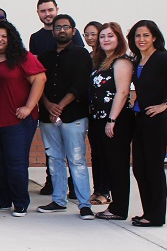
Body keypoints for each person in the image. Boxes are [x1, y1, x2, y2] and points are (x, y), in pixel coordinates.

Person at [127, 20, 167, 227]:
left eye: (146, 35)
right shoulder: (138, 60)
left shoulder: (162, 58)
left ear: (154, 37)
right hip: (140, 120)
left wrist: (166, 104)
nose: (141, 39)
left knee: (153, 168)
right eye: (138, 36)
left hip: (157, 121)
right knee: (139, 168)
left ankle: (155, 217)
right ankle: (148, 212)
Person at [35, 14, 94, 220]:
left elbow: (80, 84)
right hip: (47, 116)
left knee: (77, 160)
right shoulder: (44, 56)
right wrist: (48, 105)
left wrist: (59, 106)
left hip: (73, 115)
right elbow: (37, 83)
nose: (61, 30)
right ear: (53, 32)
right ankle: (59, 200)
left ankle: (84, 204)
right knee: (54, 159)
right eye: (58, 27)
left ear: (73, 31)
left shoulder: (81, 55)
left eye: (66, 27)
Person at [0, 21, 46, 217]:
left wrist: (29, 107)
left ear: (11, 38)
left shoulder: (22, 57)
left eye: (4, 36)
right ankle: (3, 200)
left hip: (18, 121)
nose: (0, 40)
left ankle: (20, 202)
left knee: (15, 163)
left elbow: (40, 79)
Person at [28, 0, 85, 197]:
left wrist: (60, 105)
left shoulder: (76, 44)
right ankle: (54, 189)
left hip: (72, 107)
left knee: (75, 156)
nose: (47, 14)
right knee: (53, 155)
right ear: (38, 13)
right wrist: (47, 103)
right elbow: (36, 74)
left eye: (50, 10)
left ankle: (77, 193)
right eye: (43, 11)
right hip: (47, 105)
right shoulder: (36, 39)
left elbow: (80, 76)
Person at [89, 22, 135, 220]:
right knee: (107, 162)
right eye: (102, 37)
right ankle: (114, 206)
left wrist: (112, 119)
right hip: (99, 119)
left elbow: (122, 92)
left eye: (110, 36)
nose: (105, 40)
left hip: (116, 120)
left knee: (117, 164)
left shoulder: (121, 61)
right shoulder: (103, 61)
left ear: (119, 39)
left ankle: (119, 208)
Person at [82, 20, 111, 206]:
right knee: (96, 153)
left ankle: (106, 192)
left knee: (107, 153)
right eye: (87, 34)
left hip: (108, 114)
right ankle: (98, 189)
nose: (90, 38)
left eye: (94, 34)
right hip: (92, 113)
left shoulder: (109, 58)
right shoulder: (89, 56)